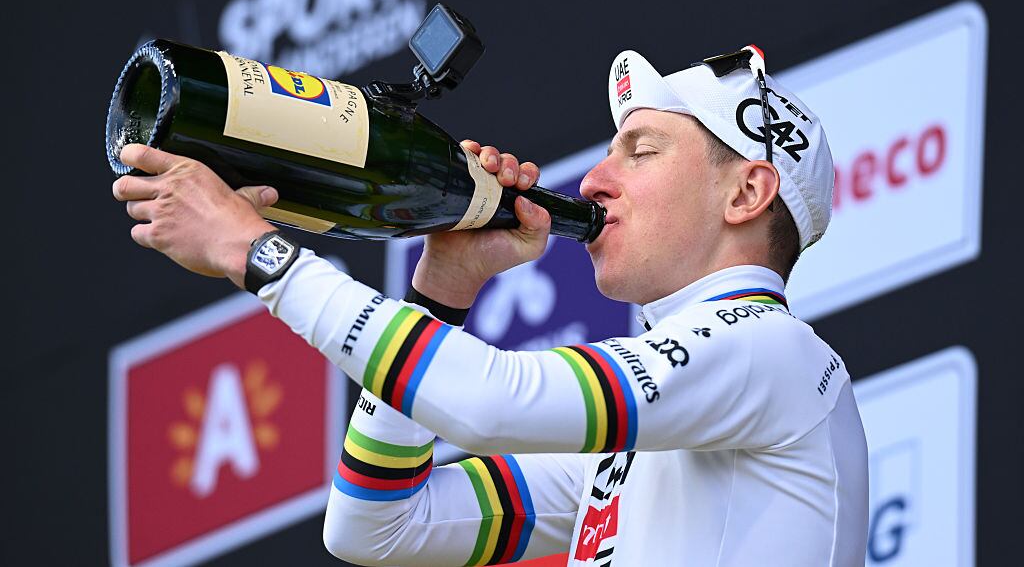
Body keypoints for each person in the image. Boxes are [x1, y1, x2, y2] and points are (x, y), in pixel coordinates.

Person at [112, 45, 868, 566]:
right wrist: (445, 289)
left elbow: (490, 401)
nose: (596, 179)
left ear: (746, 192)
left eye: (640, 150)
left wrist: (259, 253)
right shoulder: (642, 445)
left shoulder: (774, 351)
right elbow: (376, 524)